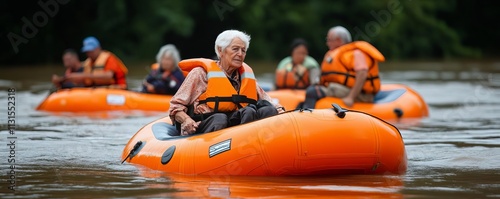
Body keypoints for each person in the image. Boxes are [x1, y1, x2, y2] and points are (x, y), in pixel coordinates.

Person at [168, 30, 284, 136]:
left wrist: (281, 111)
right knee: (220, 119)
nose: (240, 54)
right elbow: (175, 106)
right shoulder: (200, 74)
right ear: (220, 50)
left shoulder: (245, 77)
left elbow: (268, 101)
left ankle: (251, 145)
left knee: (265, 110)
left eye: (243, 50)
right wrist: (186, 120)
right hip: (208, 126)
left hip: (236, 126)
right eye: (235, 49)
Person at [302, 26, 385, 108]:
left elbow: (362, 73)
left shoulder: (355, 54)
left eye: (329, 40)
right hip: (343, 89)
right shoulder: (334, 55)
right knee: (315, 88)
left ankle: (307, 115)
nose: (327, 43)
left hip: (362, 95)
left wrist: (351, 97)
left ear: (338, 40)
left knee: (313, 91)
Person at [63, 36, 129, 89]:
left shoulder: (109, 58)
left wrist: (82, 76)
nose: (89, 53)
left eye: (91, 50)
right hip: (97, 91)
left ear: (98, 48)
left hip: (116, 89)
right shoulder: (87, 63)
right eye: (87, 51)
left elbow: (108, 76)